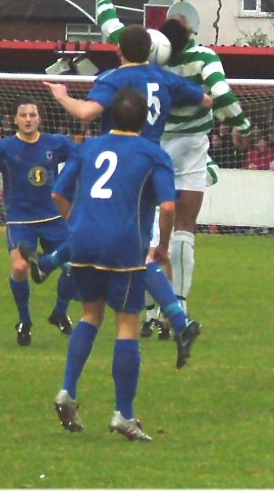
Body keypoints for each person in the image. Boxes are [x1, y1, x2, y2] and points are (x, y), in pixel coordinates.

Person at [93, 0, 251, 321]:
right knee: (184, 225)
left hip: (153, 141)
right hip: (192, 144)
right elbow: (222, 94)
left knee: (150, 222)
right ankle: (177, 304)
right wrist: (243, 126)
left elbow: (111, 27)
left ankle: (148, 309)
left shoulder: (145, 52)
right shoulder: (203, 56)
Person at [48, 87, 200, 442]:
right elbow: (167, 206)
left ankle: (67, 390)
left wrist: (77, 226)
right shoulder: (152, 153)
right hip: (123, 247)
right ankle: (124, 414)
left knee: (90, 315)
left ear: (110, 116)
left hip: (83, 243)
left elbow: (58, 193)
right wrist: (161, 248)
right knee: (128, 325)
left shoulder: (88, 148)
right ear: (147, 117)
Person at [0, 96, 78, 346]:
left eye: (32, 115)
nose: (28, 119)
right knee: (19, 268)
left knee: (76, 268)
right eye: (23, 115)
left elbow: (81, 154)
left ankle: (59, 311)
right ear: (15, 119)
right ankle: (24, 320)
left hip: (53, 218)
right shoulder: (5, 147)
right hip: (20, 221)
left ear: (40, 118)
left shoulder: (55, 143)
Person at [43, 24, 211, 144]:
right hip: (153, 156)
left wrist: (62, 95)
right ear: (150, 52)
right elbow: (206, 101)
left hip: (119, 155)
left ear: (119, 51)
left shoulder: (114, 78)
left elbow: (86, 113)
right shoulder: (169, 79)